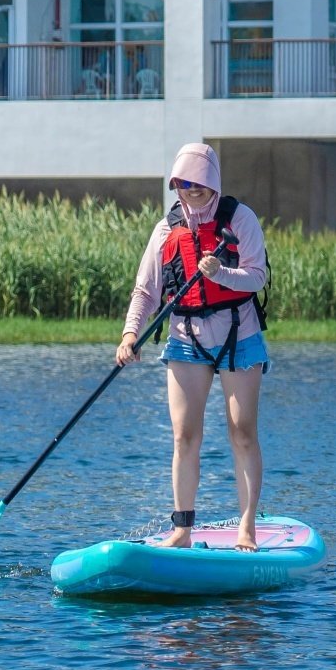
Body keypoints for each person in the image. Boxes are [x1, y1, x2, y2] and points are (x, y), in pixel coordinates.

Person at [115, 142, 270, 551]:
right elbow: (146, 290)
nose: (192, 192)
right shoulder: (166, 229)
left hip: (240, 335)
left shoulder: (241, 219)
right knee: (185, 435)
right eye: (184, 185)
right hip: (185, 338)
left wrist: (222, 273)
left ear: (213, 183)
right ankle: (182, 530)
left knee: (242, 432)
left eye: (199, 185)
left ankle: (247, 527)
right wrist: (131, 333)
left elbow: (256, 277)